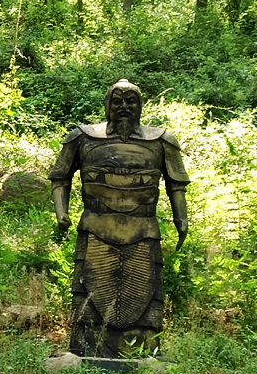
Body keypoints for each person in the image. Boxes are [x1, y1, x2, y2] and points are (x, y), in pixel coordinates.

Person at [48, 79, 189, 359]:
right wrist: (61, 212)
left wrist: (180, 217)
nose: (124, 106)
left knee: (146, 295)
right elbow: (60, 177)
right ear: (107, 105)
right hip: (95, 228)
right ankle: (85, 350)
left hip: (144, 230)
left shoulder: (161, 141)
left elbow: (176, 184)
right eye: (117, 101)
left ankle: (145, 353)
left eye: (131, 101)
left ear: (140, 106)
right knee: (88, 295)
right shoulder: (82, 137)